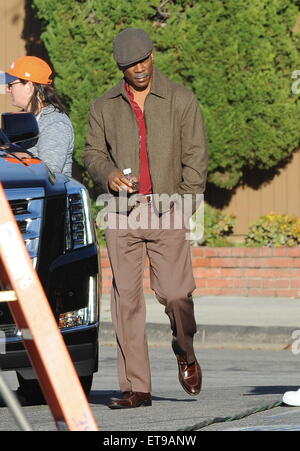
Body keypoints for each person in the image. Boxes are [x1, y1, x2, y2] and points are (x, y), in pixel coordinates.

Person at [84, 28, 208, 409]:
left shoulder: (181, 99)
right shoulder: (104, 105)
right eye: (129, 65)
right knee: (126, 302)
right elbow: (91, 153)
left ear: (153, 56)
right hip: (122, 213)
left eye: (142, 60)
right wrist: (107, 174)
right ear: (120, 67)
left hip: (168, 206)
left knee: (175, 294)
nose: (138, 69)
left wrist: (185, 207)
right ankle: (136, 387)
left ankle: (185, 350)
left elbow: (196, 157)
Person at [0, 56, 73, 176]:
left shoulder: (55, 122)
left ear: (29, 87)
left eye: (10, 85)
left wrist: (21, 157)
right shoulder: (23, 118)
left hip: (47, 194)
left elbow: (49, 172)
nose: (8, 90)